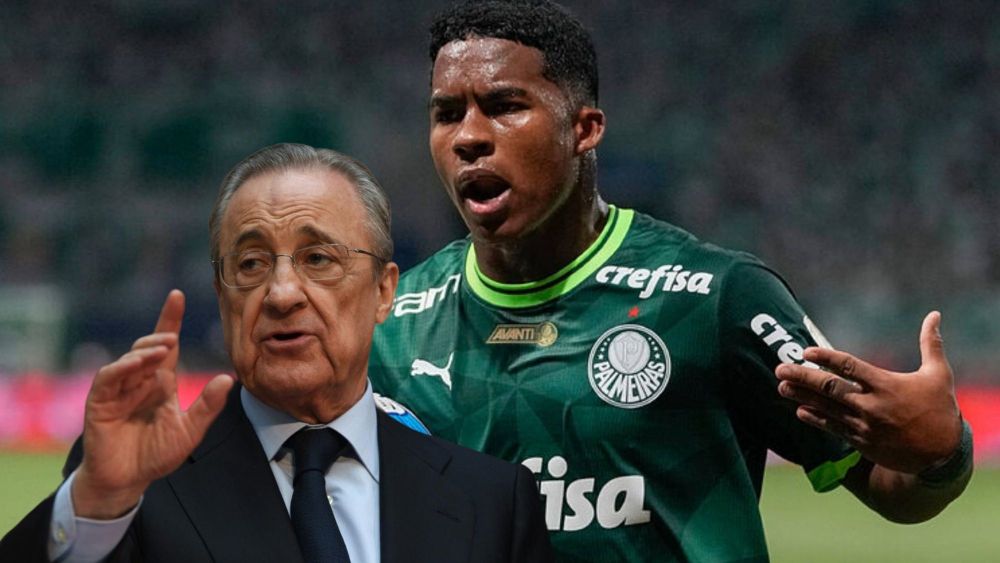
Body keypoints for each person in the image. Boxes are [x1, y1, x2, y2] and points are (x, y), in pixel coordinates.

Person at [367, 1, 973, 561]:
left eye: (504, 107)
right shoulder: (393, 327)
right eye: (447, 114)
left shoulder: (716, 297)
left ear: (584, 129)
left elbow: (889, 485)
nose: (468, 137)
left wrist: (943, 454)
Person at [0, 143, 554, 563]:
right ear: (222, 297)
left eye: (318, 259)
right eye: (251, 264)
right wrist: (96, 502)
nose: (282, 293)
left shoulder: (492, 502)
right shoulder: (136, 490)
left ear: (384, 291)